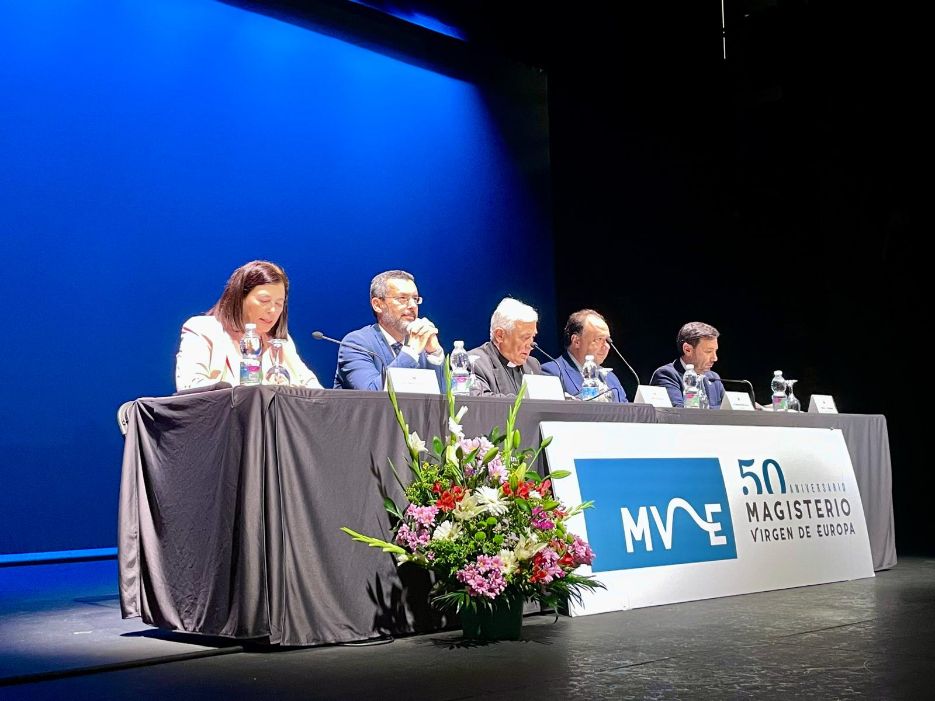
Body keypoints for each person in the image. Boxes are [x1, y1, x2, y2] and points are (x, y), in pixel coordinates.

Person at [175, 260, 322, 390]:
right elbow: (190, 385)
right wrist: (256, 393)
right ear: (239, 298)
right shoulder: (203, 329)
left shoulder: (280, 342)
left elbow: (315, 391)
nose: (273, 310)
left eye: (279, 304)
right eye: (264, 300)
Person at [333, 270, 444, 391]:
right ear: (377, 305)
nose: (413, 305)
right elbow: (371, 394)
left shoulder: (422, 348)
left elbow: (446, 397)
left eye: (415, 299)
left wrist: (434, 353)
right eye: (402, 298)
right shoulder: (356, 344)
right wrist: (411, 352)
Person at [541, 309, 629, 402]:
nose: (606, 346)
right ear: (576, 341)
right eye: (599, 339)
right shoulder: (552, 373)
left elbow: (627, 414)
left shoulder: (611, 379)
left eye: (607, 340)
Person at [468, 298, 542, 396]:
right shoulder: (475, 362)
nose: (531, 345)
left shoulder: (533, 365)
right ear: (500, 335)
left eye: (532, 337)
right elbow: (482, 403)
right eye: (525, 337)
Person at [650, 321, 724, 408]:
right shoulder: (667, 375)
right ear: (687, 349)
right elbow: (679, 413)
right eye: (708, 351)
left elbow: (729, 412)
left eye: (715, 351)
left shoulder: (714, 378)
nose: (715, 358)